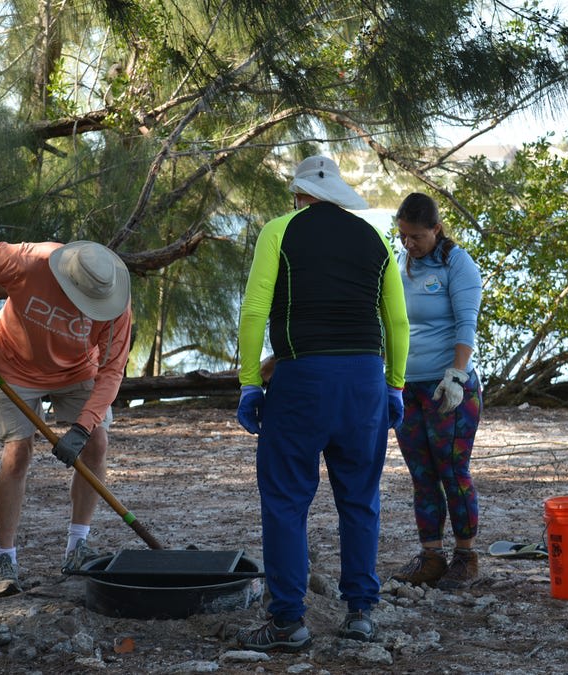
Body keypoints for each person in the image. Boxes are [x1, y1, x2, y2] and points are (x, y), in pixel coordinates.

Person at [234, 155, 409, 651]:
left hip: (302, 379)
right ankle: (360, 614)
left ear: (299, 195)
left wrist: (250, 383)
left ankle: (288, 622)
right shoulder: (374, 238)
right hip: (363, 382)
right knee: (360, 498)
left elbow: (253, 311)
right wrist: (394, 385)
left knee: (286, 500)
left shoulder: (279, 231)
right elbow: (396, 322)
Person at [0, 240, 132, 598]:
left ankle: (78, 547)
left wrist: (82, 426)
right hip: (17, 366)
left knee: (97, 442)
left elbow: (112, 371)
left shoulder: (115, 301)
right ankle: (5, 558)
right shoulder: (29, 262)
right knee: (18, 453)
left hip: (78, 369)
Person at [389, 192, 485, 590]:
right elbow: (391, 321)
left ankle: (465, 556)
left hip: (449, 388)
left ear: (436, 230)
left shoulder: (456, 264)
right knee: (421, 474)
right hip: (407, 387)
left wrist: (456, 376)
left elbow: (466, 325)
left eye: (416, 237)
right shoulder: (400, 263)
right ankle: (431, 555)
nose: (409, 244)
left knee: (452, 471)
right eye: (403, 236)